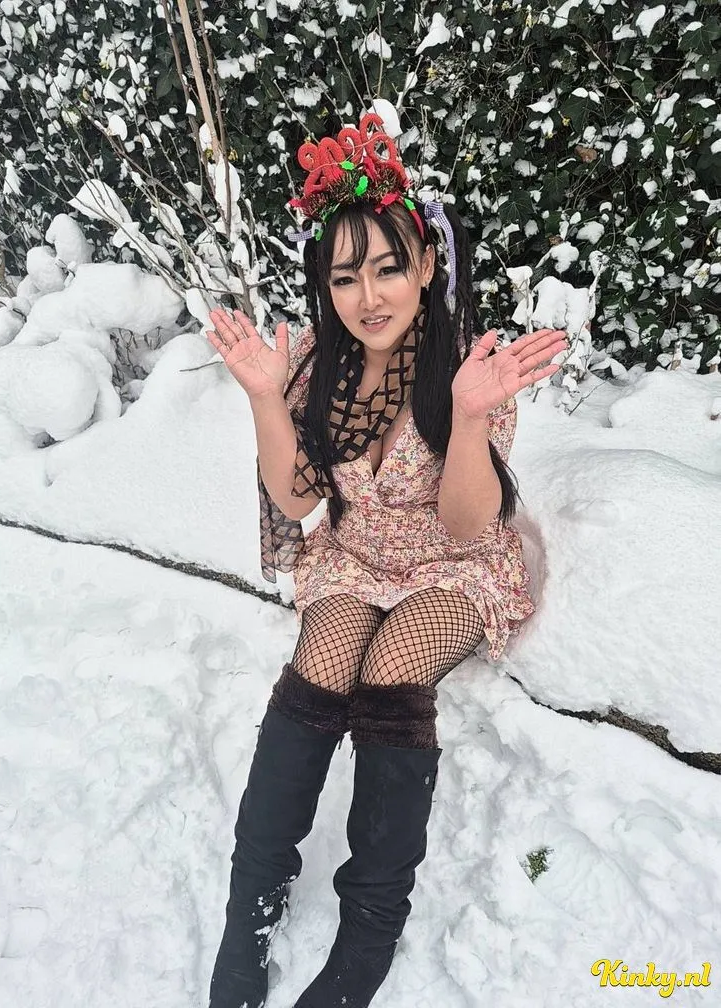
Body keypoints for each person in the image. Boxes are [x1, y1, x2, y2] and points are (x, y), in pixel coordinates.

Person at [205, 113, 568, 1008]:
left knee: (393, 666)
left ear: (427, 264)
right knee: (321, 664)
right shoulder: (314, 369)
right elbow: (300, 501)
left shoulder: (466, 372)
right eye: (344, 276)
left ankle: (369, 929)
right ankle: (251, 906)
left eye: (387, 267)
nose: (368, 295)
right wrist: (265, 399)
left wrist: (471, 418)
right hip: (354, 558)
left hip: (454, 565)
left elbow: (465, 524)